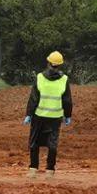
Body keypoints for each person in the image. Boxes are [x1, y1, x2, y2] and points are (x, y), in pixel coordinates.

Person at [23, 51, 73, 179]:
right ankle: (50, 171)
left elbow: (34, 98)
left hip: (39, 116)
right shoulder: (64, 79)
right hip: (55, 117)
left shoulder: (40, 77)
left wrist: (29, 114)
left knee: (34, 142)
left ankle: (33, 170)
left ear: (48, 63)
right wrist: (68, 115)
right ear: (60, 65)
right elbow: (67, 100)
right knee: (52, 144)